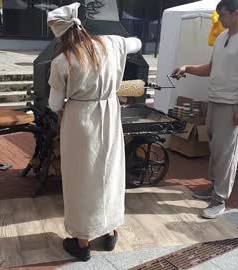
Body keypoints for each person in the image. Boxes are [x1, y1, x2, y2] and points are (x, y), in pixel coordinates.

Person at [46, 2, 142, 261]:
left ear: (58, 34)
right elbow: (137, 44)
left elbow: (55, 104)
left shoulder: (61, 61)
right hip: (110, 114)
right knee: (110, 172)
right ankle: (110, 232)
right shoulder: (111, 42)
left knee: (82, 180)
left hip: (80, 121)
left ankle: (83, 243)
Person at [173, 0, 238, 219]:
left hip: (234, 103)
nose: (219, 19)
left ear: (236, 13)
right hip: (215, 100)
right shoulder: (223, 37)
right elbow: (211, 68)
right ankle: (213, 188)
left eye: (221, 14)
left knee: (227, 153)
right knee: (215, 150)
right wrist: (187, 68)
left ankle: (219, 199)